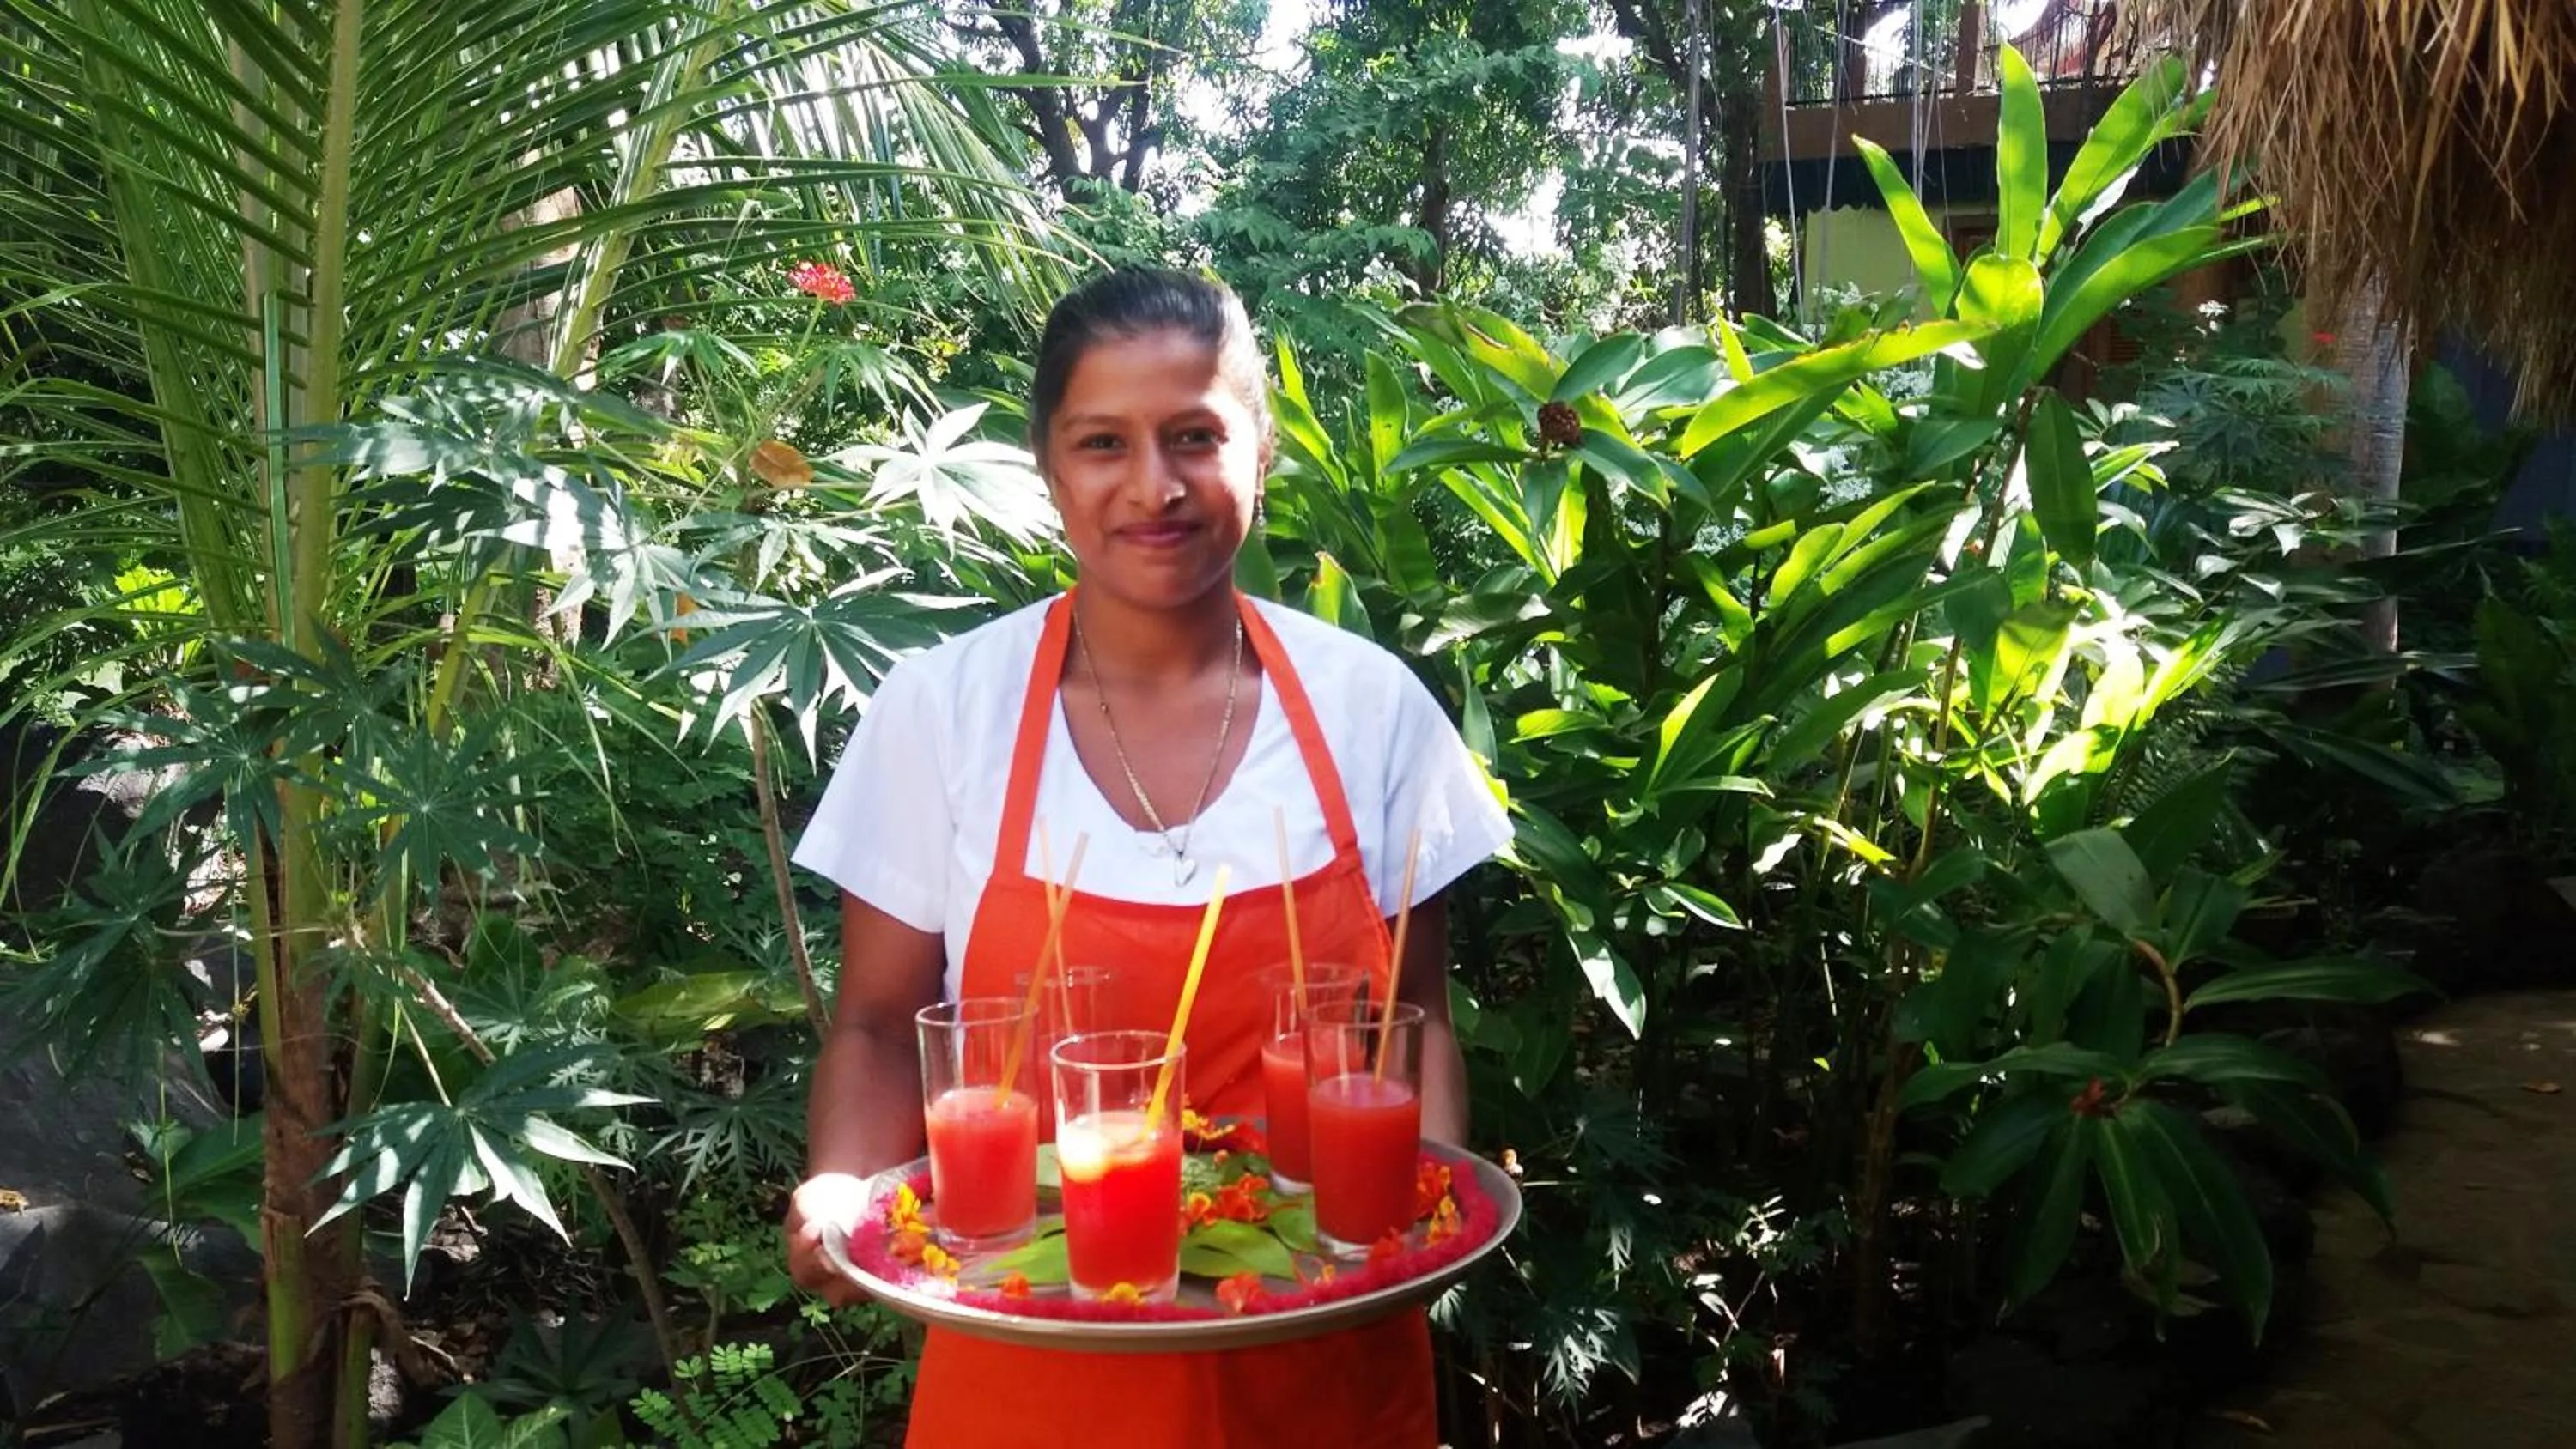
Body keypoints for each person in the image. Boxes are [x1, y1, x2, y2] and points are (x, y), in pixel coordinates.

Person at [781, 266, 1512, 1448]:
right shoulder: (944, 711)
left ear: (1260, 453)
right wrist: (839, 1184)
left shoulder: (1371, 709)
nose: (1154, 486)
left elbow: (1412, 1023)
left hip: (1325, 1366)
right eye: (1102, 443)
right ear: (1050, 470)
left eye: (1195, 437)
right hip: (1025, 1375)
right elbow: (874, 1023)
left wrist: (1413, 1240)